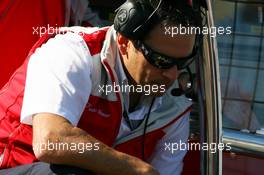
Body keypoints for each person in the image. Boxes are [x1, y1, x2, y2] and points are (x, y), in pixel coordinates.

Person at [0, 0, 202, 174]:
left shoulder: (176, 107)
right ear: (124, 43)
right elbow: (51, 141)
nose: (173, 75)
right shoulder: (72, 52)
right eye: (160, 60)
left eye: (182, 63)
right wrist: (138, 169)